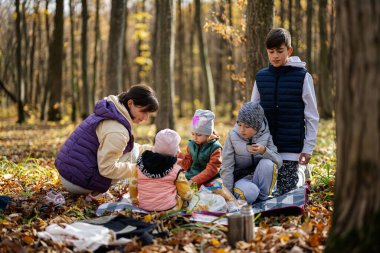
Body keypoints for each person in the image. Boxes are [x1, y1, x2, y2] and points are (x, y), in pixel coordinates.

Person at [55, 84, 159, 198]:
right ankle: (94, 192)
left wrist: (157, 150)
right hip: (79, 181)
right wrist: (141, 169)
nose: (146, 118)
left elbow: (130, 147)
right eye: (144, 112)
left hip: (69, 173)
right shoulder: (117, 130)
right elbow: (107, 169)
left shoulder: (111, 110)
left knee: (132, 151)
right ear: (130, 103)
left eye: (149, 114)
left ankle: (95, 190)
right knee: (134, 156)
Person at [251, 27, 319, 195]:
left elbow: (312, 116)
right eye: (271, 51)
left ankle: (301, 172)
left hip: (292, 151)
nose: (275, 56)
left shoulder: (303, 76)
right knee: (262, 194)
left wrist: (307, 149)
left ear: (289, 50)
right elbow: (253, 113)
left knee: (287, 193)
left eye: (280, 51)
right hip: (266, 149)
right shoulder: (261, 77)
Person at [220, 102, 282, 205]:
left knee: (268, 163)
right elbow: (227, 168)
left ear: (256, 126)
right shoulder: (232, 137)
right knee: (251, 192)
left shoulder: (266, 136)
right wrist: (229, 197)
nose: (241, 130)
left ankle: (263, 200)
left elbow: (278, 162)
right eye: (239, 124)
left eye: (247, 126)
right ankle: (250, 199)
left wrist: (264, 151)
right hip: (240, 181)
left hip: (259, 178)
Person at [128, 129, 194, 212]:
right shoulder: (176, 170)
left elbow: (132, 185)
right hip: (169, 209)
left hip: (144, 207)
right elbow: (186, 195)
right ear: (175, 151)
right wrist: (192, 193)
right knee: (181, 199)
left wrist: (134, 200)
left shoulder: (139, 166)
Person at [179, 109, 223, 187]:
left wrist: (194, 180)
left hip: (210, 180)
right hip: (191, 176)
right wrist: (179, 157)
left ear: (208, 134)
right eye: (193, 134)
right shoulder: (192, 144)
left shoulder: (215, 148)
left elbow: (212, 169)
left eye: (199, 135)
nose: (195, 137)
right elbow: (187, 164)